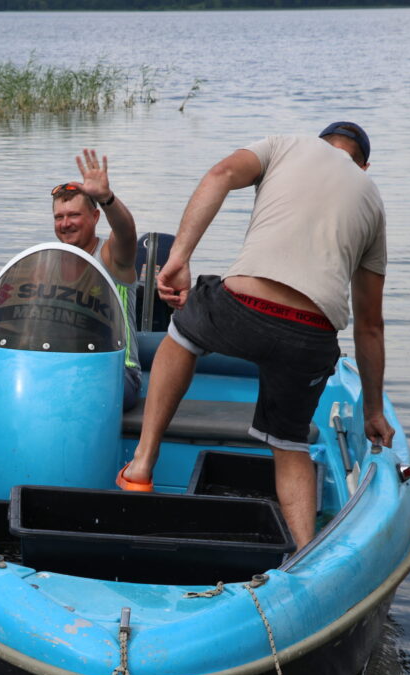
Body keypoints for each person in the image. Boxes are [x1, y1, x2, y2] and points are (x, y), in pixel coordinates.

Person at [116, 122, 394, 548]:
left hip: (244, 308)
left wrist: (180, 257)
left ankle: (142, 462)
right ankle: (304, 554)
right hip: (311, 336)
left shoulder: (285, 145)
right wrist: (373, 411)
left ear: (319, 143)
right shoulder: (372, 200)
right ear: (364, 165)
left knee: (183, 334)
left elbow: (220, 175)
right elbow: (370, 325)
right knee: (290, 445)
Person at [52, 149, 141, 411]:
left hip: (117, 371)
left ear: (95, 217)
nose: (65, 223)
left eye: (74, 215)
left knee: (71, 390)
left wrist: (106, 198)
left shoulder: (112, 256)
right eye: (59, 217)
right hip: (60, 365)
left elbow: (126, 232)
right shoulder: (48, 262)